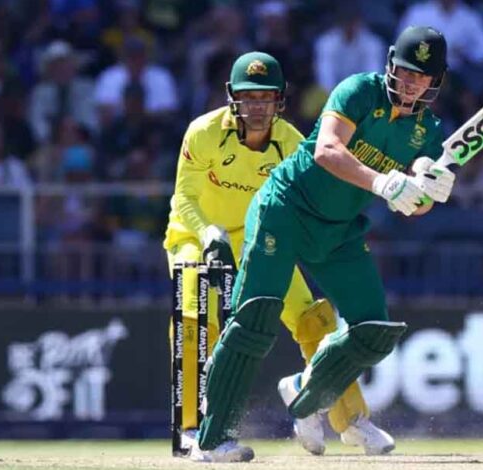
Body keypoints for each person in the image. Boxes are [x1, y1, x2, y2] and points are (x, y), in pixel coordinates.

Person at [192, 27, 456, 462]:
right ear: (391, 64)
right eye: (406, 71)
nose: (411, 82)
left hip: (339, 229)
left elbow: (413, 205)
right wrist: (384, 183)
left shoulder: (427, 131)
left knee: (374, 332)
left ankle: (305, 389)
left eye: (421, 76)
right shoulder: (359, 91)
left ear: (435, 80)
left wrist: (430, 192)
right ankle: (213, 439)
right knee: (254, 317)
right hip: (286, 209)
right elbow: (327, 150)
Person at [163, 51, 393, 459]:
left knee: (313, 320)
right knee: (195, 317)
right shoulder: (203, 132)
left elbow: (303, 203)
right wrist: (206, 231)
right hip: (197, 235)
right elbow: (184, 198)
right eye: (249, 97)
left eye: (266, 97)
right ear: (233, 97)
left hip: (260, 238)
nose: (257, 107)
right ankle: (191, 430)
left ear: (279, 100)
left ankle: (351, 420)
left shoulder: (290, 142)